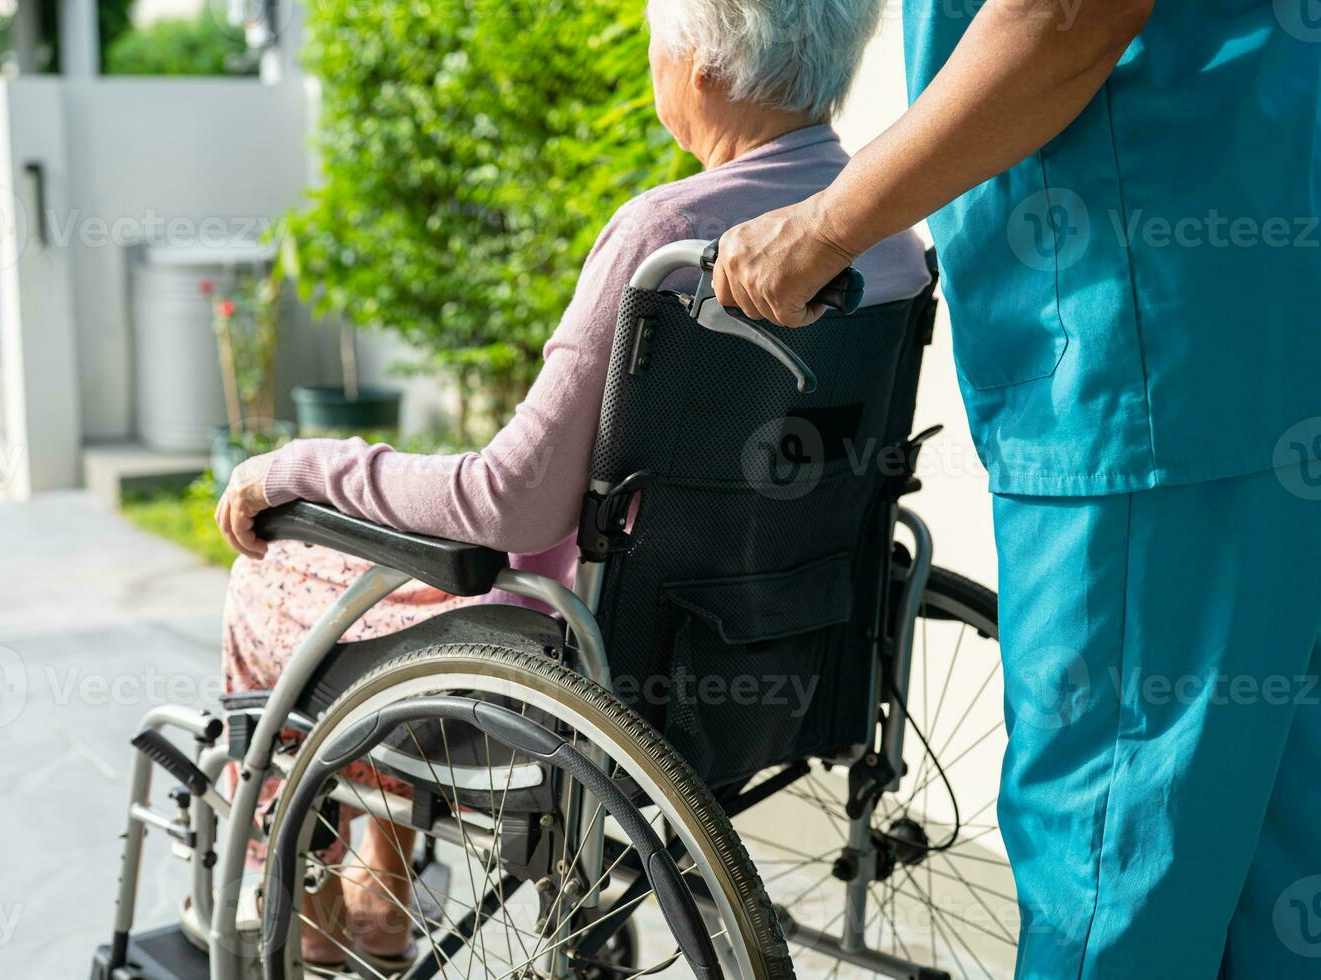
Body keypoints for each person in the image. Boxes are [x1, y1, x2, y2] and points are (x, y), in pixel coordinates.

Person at [213, 0, 932, 966]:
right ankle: (375, 870)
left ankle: (299, 886)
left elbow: (504, 502)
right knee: (392, 582)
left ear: (705, 72)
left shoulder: (670, 235)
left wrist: (295, 466)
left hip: (599, 662)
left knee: (277, 568)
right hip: (793, 633)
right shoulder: (885, 233)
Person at [711, 1, 1321, 976]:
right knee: (1273, 872)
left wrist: (825, 225)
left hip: (1143, 370)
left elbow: (1063, 13)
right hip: (1259, 354)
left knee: (1113, 882)